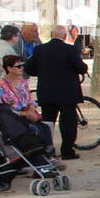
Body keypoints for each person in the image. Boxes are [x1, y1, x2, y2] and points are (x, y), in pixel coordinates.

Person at [25, 24, 88, 160]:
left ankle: (47, 150)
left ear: (51, 35)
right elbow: (82, 68)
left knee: (48, 122)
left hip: (47, 91)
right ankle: (67, 151)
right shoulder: (69, 50)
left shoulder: (40, 49)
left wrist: (42, 72)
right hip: (67, 92)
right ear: (65, 36)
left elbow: (29, 68)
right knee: (68, 123)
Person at [0, 54, 57, 155]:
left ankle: (49, 155)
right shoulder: (0, 84)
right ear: (9, 68)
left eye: (22, 65)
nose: (22, 68)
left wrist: (31, 110)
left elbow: (30, 100)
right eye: (18, 66)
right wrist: (26, 114)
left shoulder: (22, 82)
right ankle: (42, 158)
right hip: (14, 117)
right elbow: (5, 107)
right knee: (36, 130)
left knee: (45, 127)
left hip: (28, 113)